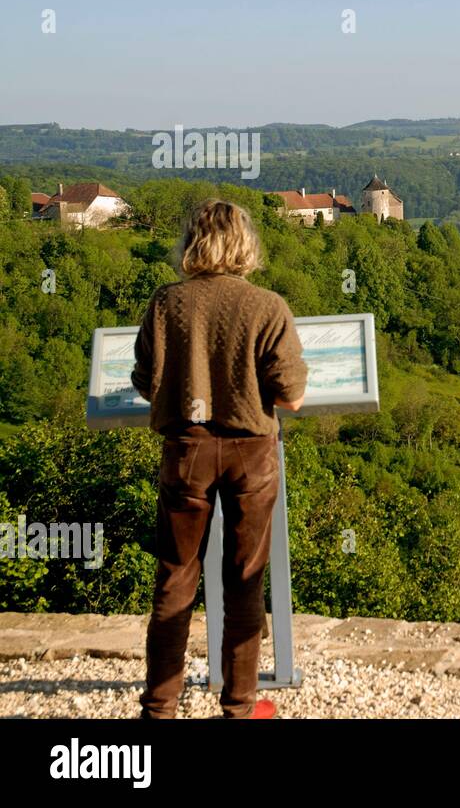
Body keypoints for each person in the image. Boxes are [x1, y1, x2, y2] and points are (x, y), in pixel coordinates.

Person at [132, 199, 307, 719]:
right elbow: (291, 397)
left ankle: (159, 709)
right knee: (244, 581)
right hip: (251, 453)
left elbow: (146, 383)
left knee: (174, 579)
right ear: (245, 244)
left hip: (185, 450)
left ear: (191, 243)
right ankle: (239, 707)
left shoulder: (166, 304)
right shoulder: (267, 306)